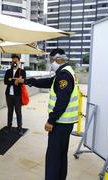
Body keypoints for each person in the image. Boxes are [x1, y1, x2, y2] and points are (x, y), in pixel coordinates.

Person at [25, 48, 79, 180]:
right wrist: (29, 81)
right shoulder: (63, 72)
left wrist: (51, 121)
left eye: (52, 60)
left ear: (58, 59)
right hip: (65, 124)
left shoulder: (64, 75)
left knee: (53, 157)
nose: (51, 63)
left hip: (61, 124)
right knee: (60, 154)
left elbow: (62, 101)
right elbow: (49, 82)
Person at [4, 54, 26, 136]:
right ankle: (9, 126)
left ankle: (19, 128)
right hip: (8, 95)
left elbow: (22, 82)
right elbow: (5, 82)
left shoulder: (22, 71)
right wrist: (15, 81)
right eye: (13, 61)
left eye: (16, 61)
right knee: (10, 111)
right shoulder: (8, 71)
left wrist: (12, 80)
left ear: (19, 61)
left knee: (18, 112)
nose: (14, 62)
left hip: (18, 95)